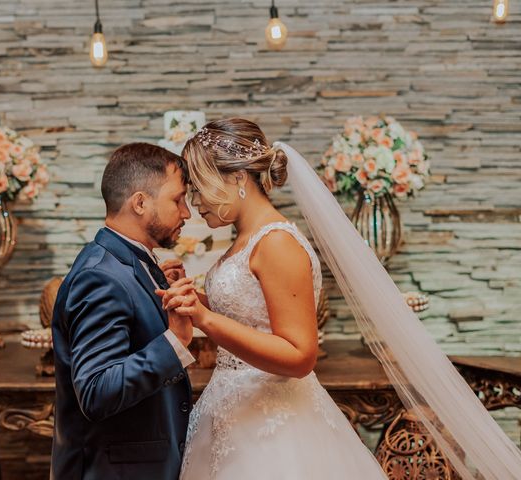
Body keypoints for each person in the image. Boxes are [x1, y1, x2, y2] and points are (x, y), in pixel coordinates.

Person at [158, 118, 521, 480]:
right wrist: (198, 299)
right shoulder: (246, 238)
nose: (195, 203)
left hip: (274, 427)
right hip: (232, 411)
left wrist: (205, 321)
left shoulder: (277, 243)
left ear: (237, 178)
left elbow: (300, 355)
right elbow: (252, 311)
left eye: (199, 187)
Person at [51, 143, 195, 479]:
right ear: (141, 202)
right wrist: (174, 341)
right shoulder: (100, 276)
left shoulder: (128, 262)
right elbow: (96, 390)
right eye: (178, 199)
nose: (187, 213)